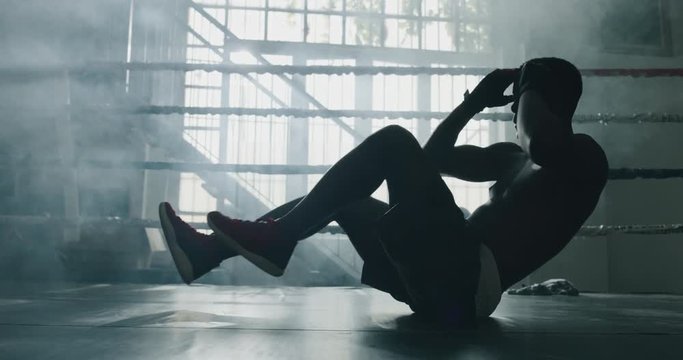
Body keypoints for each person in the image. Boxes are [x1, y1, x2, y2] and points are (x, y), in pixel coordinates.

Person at [158, 57, 608, 327]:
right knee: (347, 196)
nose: (513, 114)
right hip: (434, 276)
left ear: (545, 100)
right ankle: (210, 253)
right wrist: (472, 102)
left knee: (393, 139)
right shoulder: (510, 158)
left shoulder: (583, 158)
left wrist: (531, 80)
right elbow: (431, 159)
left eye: (521, 103)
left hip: (464, 288)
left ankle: (276, 240)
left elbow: (543, 142)